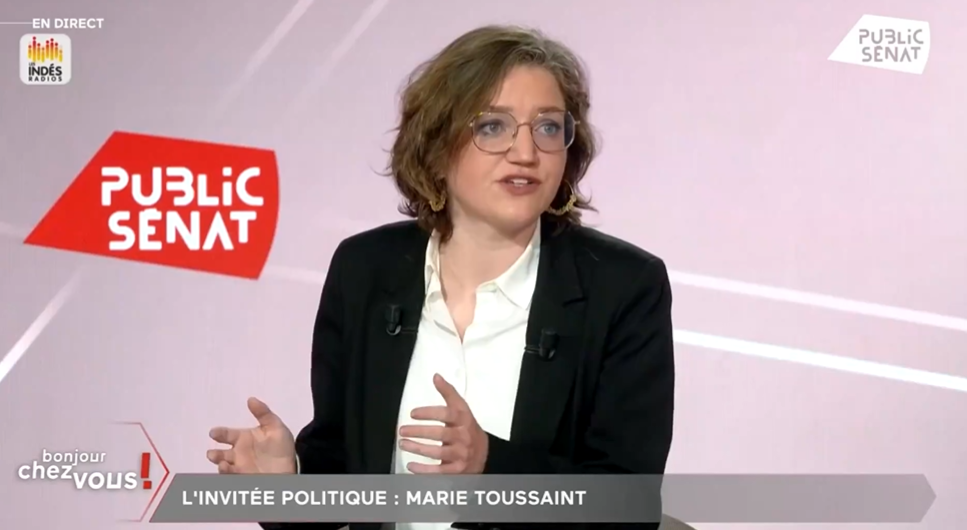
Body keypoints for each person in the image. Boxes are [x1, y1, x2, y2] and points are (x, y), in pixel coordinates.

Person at [207, 24, 675, 530]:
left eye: (547, 127)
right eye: (492, 126)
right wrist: (288, 485)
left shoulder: (623, 288)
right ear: (437, 144)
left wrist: (490, 469)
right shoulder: (365, 270)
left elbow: (628, 505)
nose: (525, 152)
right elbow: (344, 462)